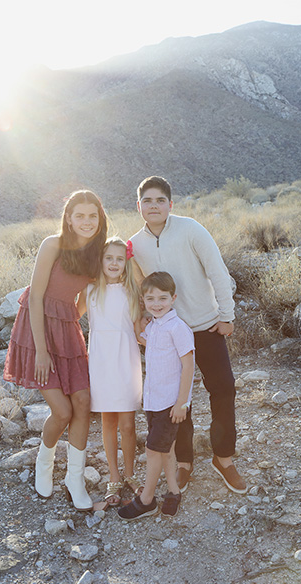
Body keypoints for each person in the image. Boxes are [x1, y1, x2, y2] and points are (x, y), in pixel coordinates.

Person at [129, 176, 246, 494]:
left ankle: (224, 458)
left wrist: (227, 316)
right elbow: (137, 285)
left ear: (170, 204)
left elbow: (217, 270)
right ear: (138, 206)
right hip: (167, 335)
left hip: (206, 326)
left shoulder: (191, 229)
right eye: (147, 201)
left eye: (160, 200)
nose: (154, 206)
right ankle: (184, 463)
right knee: (175, 401)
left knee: (222, 390)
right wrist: (140, 318)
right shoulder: (134, 244)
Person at [3, 189, 108, 511]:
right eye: (80, 216)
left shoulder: (98, 253)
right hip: (36, 330)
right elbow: (35, 297)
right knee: (61, 412)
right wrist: (42, 350)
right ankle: (43, 464)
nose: (87, 222)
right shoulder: (53, 244)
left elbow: (81, 303)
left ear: (100, 218)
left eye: (93, 216)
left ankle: (74, 479)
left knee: (83, 402)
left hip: (67, 331)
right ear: (69, 218)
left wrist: (69, 322)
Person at [119, 272, 194, 520]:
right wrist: (134, 318)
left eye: (163, 298)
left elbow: (189, 366)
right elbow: (143, 340)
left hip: (170, 405)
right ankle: (173, 492)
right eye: (150, 299)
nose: (157, 304)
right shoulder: (155, 326)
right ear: (144, 300)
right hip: (153, 401)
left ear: (173, 298)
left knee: (152, 450)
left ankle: (146, 500)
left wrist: (182, 402)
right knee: (165, 450)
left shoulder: (178, 328)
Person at [85, 237, 143, 510]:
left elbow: (138, 329)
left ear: (126, 262)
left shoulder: (132, 291)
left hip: (125, 357)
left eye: (120, 258)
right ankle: (114, 477)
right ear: (100, 260)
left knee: (128, 423)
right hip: (101, 359)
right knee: (108, 421)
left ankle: (131, 474)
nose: (114, 263)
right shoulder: (90, 290)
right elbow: (71, 316)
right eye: (109, 257)